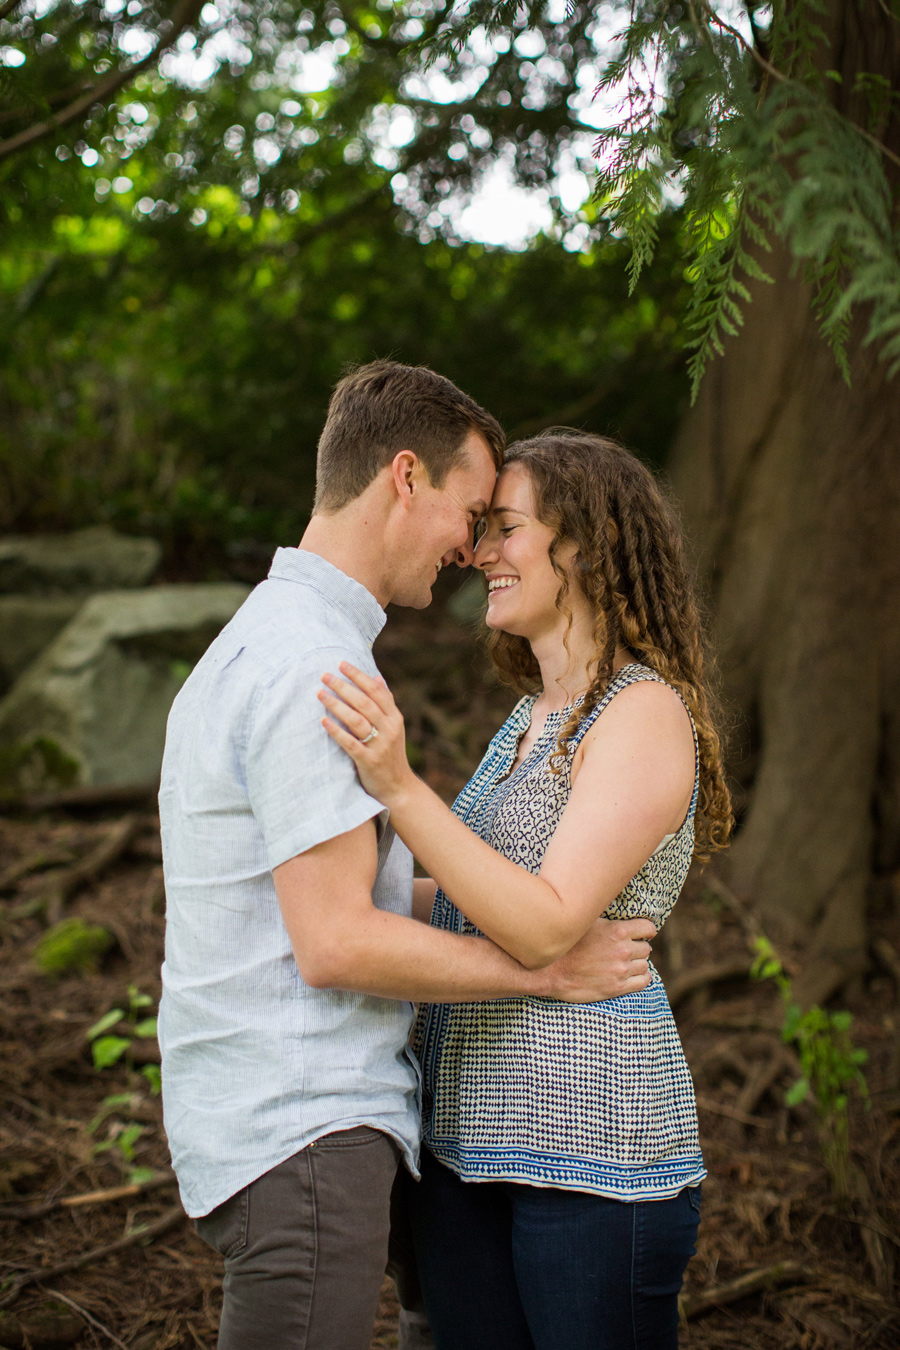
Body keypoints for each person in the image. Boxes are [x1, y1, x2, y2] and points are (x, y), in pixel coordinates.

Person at [158, 368, 658, 1350]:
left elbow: (336, 887)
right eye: (469, 513)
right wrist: (546, 970)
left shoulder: (272, 639)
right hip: (301, 1128)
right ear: (402, 479)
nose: (471, 550)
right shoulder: (315, 668)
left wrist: (523, 902)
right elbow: (337, 940)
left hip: (286, 1122)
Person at [319, 429, 733, 1350]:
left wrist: (398, 786)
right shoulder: (531, 717)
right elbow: (480, 901)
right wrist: (330, 896)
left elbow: (545, 923)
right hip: (462, 1144)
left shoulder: (644, 713)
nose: (477, 552)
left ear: (580, 544)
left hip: (594, 1159)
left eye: (505, 528)